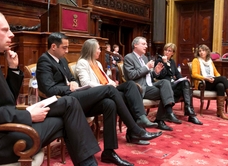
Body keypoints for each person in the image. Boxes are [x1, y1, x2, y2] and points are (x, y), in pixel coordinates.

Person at [0, 10, 100, 166]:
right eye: (5, 30)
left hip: (3, 128)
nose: (11, 34)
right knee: (68, 113)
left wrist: (13, 69)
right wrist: (28, 114)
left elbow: (6, 101)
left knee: (69, 104)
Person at [36, 32, 162, 165]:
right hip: (63, 101)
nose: (67, 51)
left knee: (109, 104)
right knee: (110, 89)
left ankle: (109, 152)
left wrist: (73, 82)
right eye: (64, 48)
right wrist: (69, 87)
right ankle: (135, 129)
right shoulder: (44, 60)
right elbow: (48, 89)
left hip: (74, 95)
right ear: (54, 46)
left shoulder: (61, 60)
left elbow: (72, 78)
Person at [75, 38, 158, 138]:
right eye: (98, 49)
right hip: (98, 93)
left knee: (131, 85)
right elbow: (86, 83)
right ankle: (136, 132)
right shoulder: (82, 63)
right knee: (128, 95)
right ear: (91, 49)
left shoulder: (98, 63)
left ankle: (141, 119)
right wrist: (106, 87)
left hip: (108, 90)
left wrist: (112, 83)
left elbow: (105, 78)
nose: (100, 51)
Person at [123, 36, 182, 131]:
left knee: (166, 83)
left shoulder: (145, 58)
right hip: (140, 88)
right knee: (166, 92)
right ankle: (163, 117)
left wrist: (155, 72)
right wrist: (146, 67)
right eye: (143, 44)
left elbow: (149, 75)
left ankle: (167, 114)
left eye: (146, 44)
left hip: (150, 85)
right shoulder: (129, 57)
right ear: (135, 45)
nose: (146, 46)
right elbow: (131, 75)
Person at [154, 43, 202, 125]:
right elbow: (161, 75)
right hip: (166, 87)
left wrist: (184, 79)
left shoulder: (172, 62)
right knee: (187, 88)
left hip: (173, 85)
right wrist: (165, 63)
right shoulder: (159, 61)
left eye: (169, 51)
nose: (167, 52)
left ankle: (190, 113)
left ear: (173, 53)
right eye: (166, 50)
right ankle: (191, 114)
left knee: (186, 83)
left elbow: (177, 74)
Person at [192, 44, 228, 120]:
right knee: (223, 78)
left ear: (207, 52)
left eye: (203, 50)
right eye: (200, 51)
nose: (201, 52)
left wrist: (217, 78)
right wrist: (206, 78)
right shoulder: (196, 60)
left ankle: (220, 112)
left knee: (220, 85)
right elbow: (194, 75)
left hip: (211, 81)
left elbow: (216, 73)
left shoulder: (210, 61)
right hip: (202, 83)